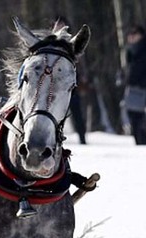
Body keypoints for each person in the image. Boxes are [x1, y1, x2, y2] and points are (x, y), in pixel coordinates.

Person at [53, 15, 88, 144]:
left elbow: (81, 61)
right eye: (58, 23)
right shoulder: (50, 42)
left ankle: (82, 137)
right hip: (55, 84)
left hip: (72, 83)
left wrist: (83, 76)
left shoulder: (73, 42)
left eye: (62, 24)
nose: (60, 26)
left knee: (77, 113)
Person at [123, 25, 146, 145]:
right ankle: (139, 142)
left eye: (135, 34)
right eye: (130, 34)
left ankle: (143, 142)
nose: (132, 37)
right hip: (131, 88)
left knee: (139, 116)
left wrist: (143, 83)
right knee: (132, 115)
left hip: (143, 89)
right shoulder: (130, 51)